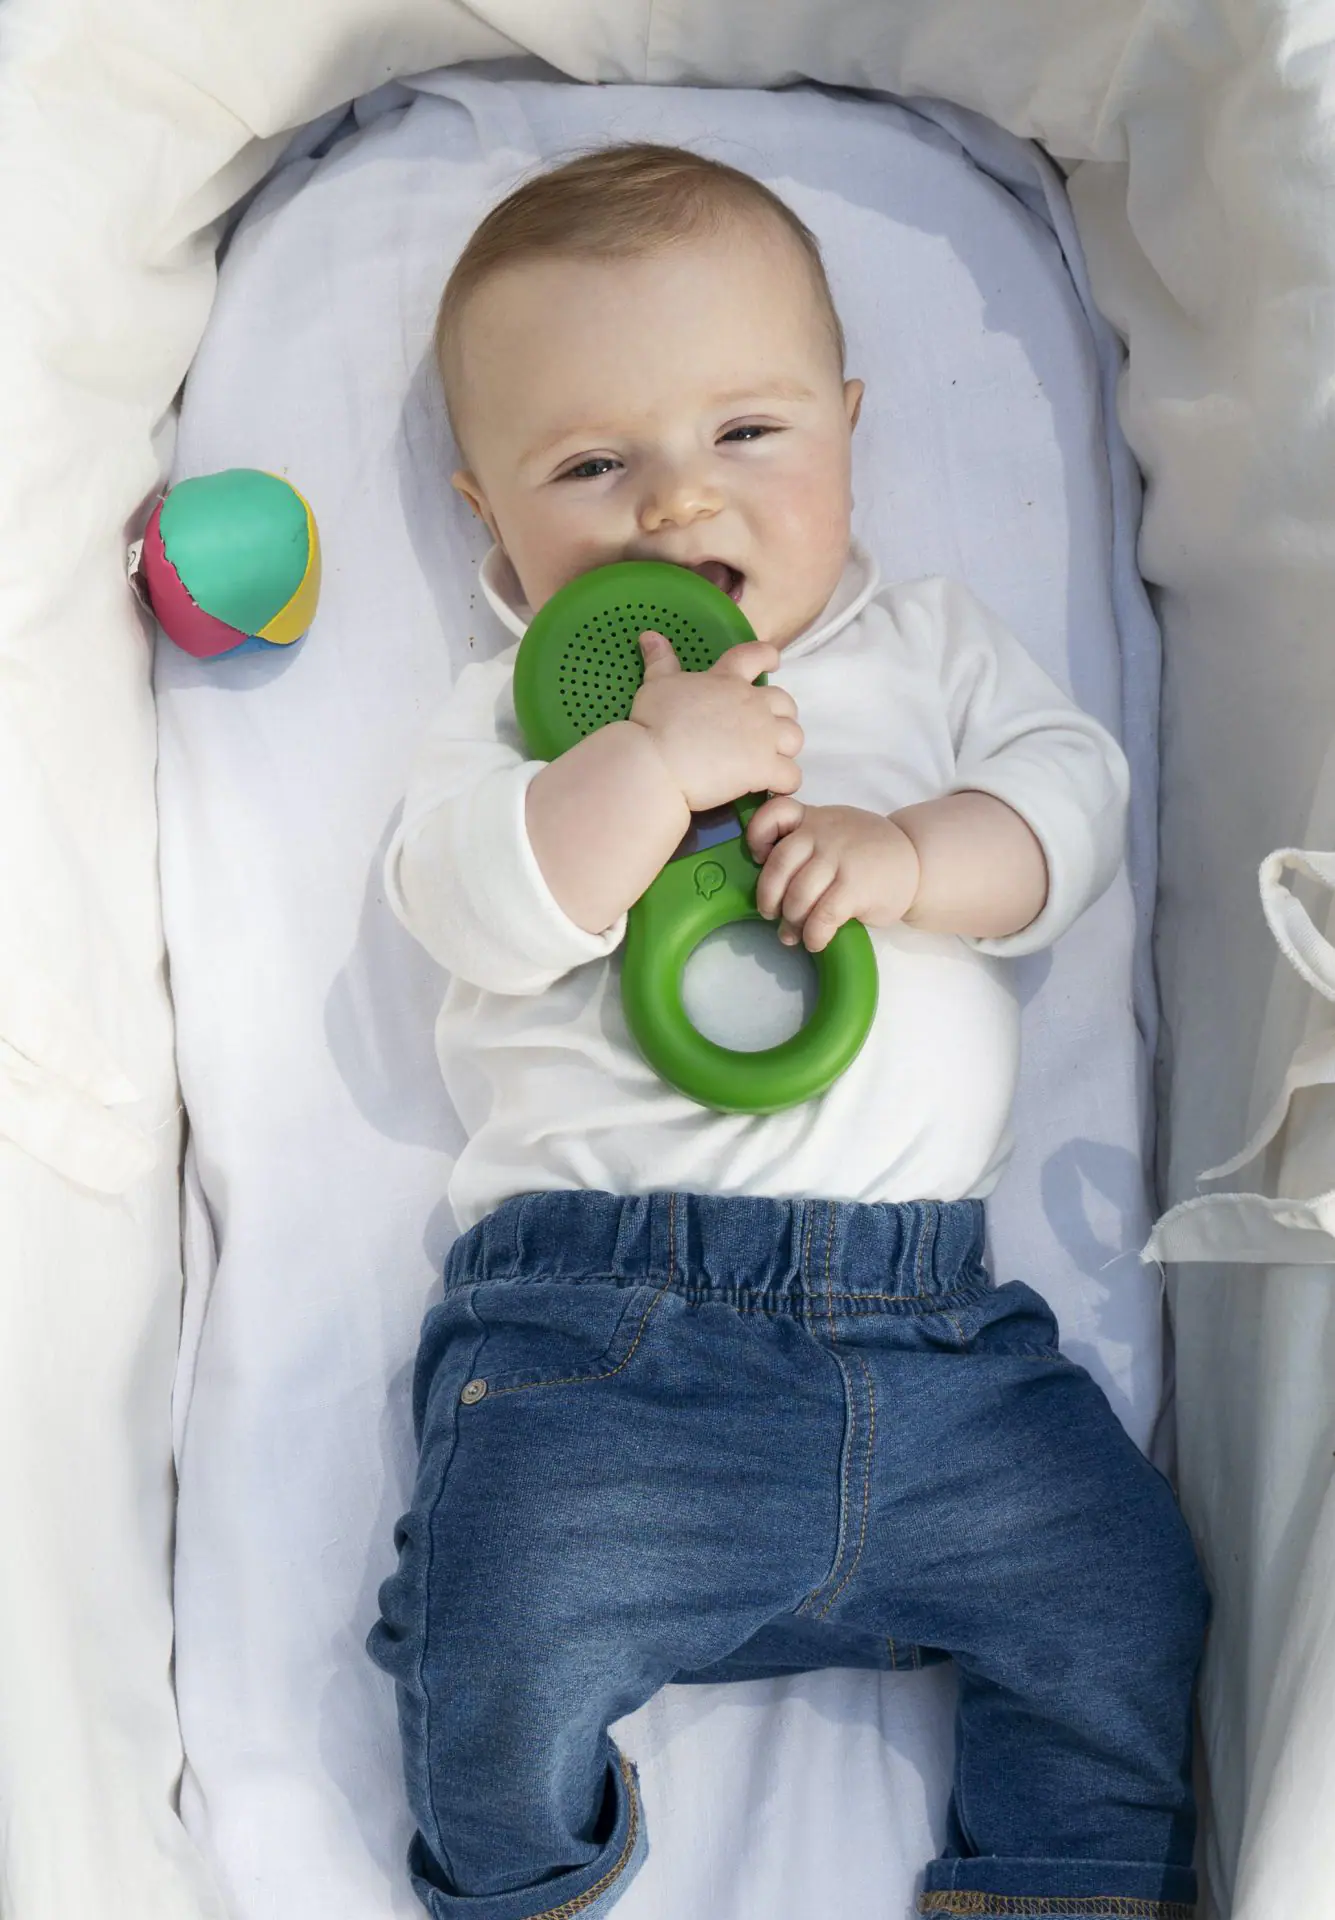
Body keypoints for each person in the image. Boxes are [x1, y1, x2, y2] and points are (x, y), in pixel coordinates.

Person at [367, 141, 1208, 1920]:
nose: (676, 508)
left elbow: (1071, 803)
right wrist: (642, 769)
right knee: (494, 1628)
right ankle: (531, 1881)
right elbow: (470, 903)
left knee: (1123, 1588)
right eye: (595, 465)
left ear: (844, 424)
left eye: (743, 435)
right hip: (609, 1340)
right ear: (484, 516)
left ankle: (1049, 1885)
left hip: (942, 1336)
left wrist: (911, 856)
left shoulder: (928, 650)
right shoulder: (514, 716)